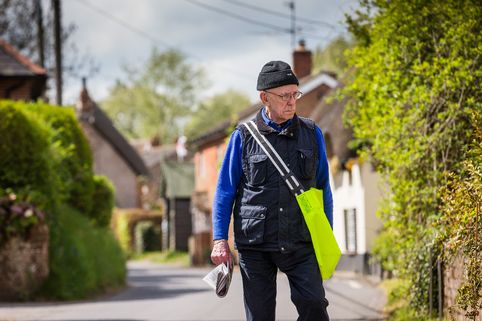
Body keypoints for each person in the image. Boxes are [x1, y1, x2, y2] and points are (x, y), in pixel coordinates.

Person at [210, 60, 333, 321]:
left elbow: (323, 188)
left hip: (301, 241)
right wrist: (220, 240)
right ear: (265, 97)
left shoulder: (312, 133)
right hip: (256, 245)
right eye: (284, 95)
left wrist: (326, 237)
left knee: (315, 308)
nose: (291, 101)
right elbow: (224, 192)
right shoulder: (243, 136)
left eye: (295, 94)